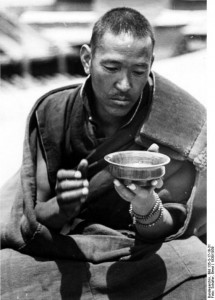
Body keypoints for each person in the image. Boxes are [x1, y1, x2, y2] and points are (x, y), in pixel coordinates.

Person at [0, 7, 206, 299]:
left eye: (138, 71)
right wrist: (63, 206)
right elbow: (37, 217)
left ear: (151, 64)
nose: (124, 85)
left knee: (205, 272)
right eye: (111, 68)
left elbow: (171, 230)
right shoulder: (54, 112)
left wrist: (146, 203)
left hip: (141, 255)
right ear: (87, 59)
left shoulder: (177, 122)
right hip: (66, 248)